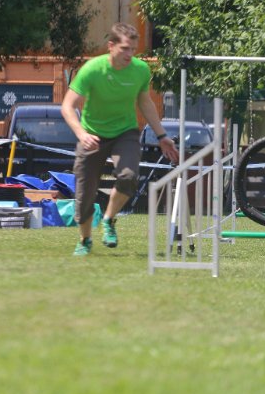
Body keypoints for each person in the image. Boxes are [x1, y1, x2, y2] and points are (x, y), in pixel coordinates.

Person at [61, 22, 179, 256]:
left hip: (125, 132)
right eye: (124, 48)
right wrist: (82, 134)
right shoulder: (92, 69)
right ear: (111, 46)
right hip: (92, 134)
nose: (129, 54)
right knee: (84, 195)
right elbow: (67, 106)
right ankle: (85, 240)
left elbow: (144, 101)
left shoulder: (140, 70)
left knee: (128, 177)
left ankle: (109, 219)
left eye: (133, 49)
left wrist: (162, 135)